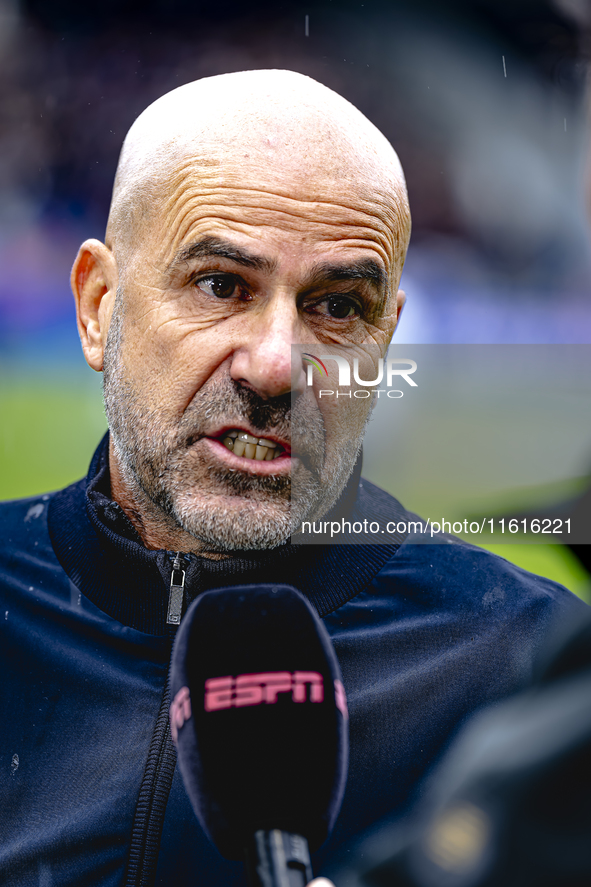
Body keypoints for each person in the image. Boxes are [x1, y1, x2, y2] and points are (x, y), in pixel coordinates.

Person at [0, 70, 586, 887]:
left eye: (338, 307)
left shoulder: (530, 677)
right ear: (100, 305)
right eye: (220, 285)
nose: (278, 366)